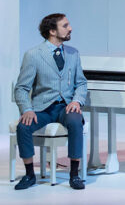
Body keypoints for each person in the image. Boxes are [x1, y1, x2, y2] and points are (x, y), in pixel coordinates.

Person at [14, 13, 88, 190]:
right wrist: (27, 109)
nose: (70, 28)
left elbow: (81, 83)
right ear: (52, 31)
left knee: (75, 121)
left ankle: (74, 175)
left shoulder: (73, 53)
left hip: (65, 107)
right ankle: (29, 175)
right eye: (65, 26)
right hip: (43, 108)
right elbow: (21, 88)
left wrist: (77, 101)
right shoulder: (33, 55)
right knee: (23, 126)